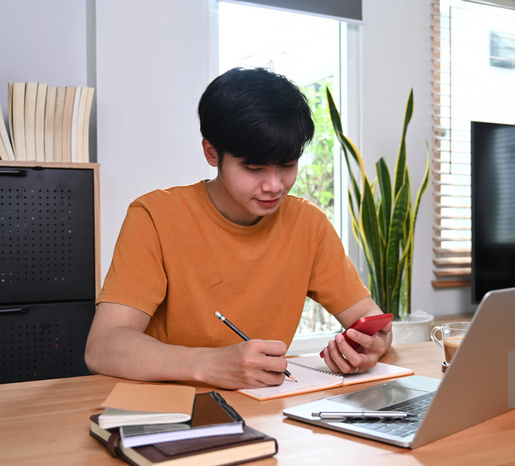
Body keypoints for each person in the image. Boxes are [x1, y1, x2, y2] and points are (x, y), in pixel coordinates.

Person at [84, 67, 392, 390]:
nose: (275, 185)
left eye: (287, 165)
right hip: (172, 414)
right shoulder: (154, 217)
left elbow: (375, 322)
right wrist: (209, 364)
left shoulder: (309, 224)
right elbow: (103, 346)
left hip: (271, 412)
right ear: (211, 153)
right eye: (254, 168)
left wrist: (372, 346)